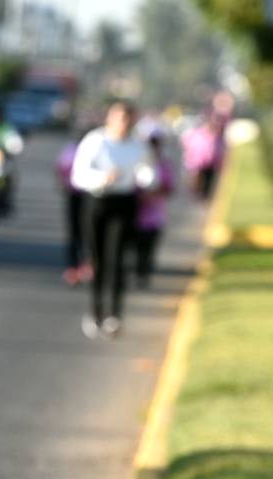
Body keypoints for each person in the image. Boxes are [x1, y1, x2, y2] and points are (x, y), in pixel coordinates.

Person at [71, 100, 156, 340]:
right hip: (97, 202)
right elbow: (79, 175)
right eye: (120, 118)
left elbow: (148, 171)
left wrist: (147, 180)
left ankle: (114, 315)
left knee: (117, 258)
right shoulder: (95, 141)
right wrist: (102, 178)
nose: (124, 124)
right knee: (97, 259)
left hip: (124, 202)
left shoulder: (138, 146)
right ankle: (96, 311)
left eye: (128, 119)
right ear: (109, 118)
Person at [134, 129, 175, 288]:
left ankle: (144, 272)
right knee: (138, 246)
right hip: (137, 214)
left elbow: (169, 188)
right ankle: (139, 270)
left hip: (155, 216)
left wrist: (155, 193)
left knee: (150, 245)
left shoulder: (164, 165)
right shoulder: (137, 163)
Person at [55, 127, 92, 286]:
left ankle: (87, 265)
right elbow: (61, 169)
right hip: (75, 195)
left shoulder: (95, 150)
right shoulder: (72, 150)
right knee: (74, 232)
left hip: (92, 195)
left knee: (89, 232)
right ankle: (73, 267)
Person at [181, 110, 227, 201]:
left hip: (211, 165)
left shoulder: (217, 136)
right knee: (197, 185)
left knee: (208, 187)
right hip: (197, 164)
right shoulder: (198, 133)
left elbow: (220, 151)